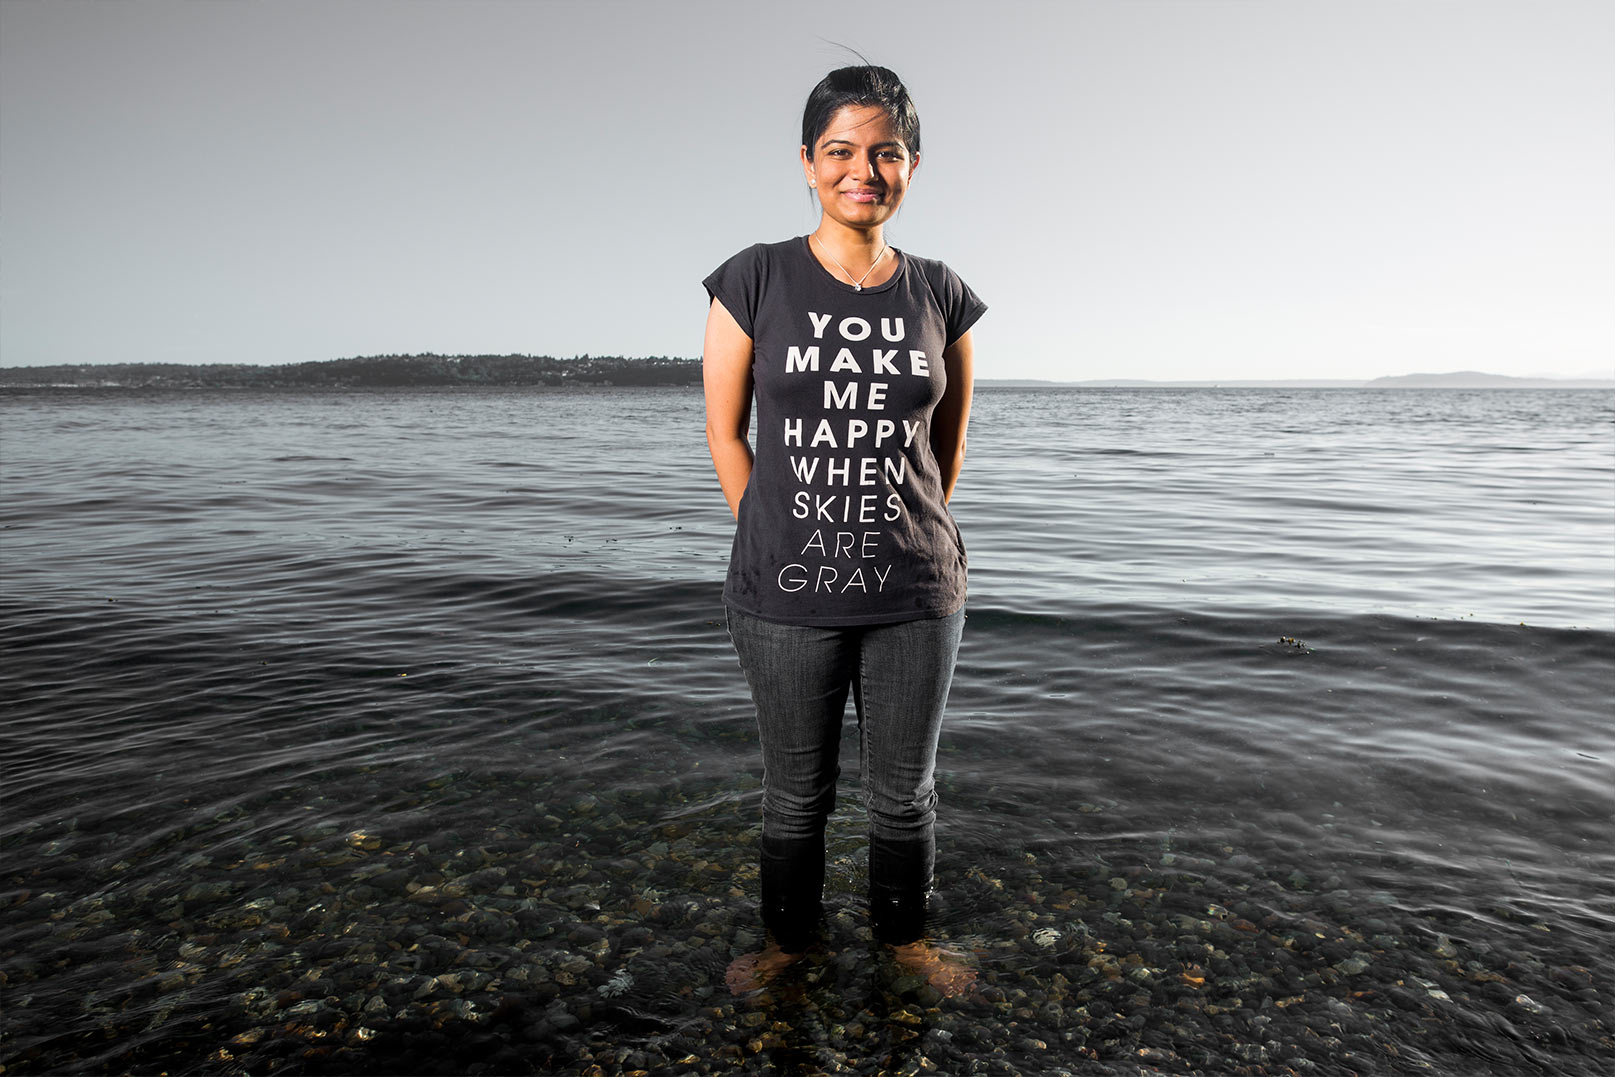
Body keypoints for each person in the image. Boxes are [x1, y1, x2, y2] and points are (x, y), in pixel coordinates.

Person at [701, 64, 986, 997]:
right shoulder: (753, 277)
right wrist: (779, 531)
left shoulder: (941, 293)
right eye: (840, 152)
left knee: (904, 795)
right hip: (784, 593)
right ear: (807, 162)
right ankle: (791, 949)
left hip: (914, 594)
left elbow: (942, 453)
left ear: (912, 166)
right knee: (796, 793)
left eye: (885, 153)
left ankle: (904, 946)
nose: (862, 170)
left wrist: (901, 533)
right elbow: (724, 431)